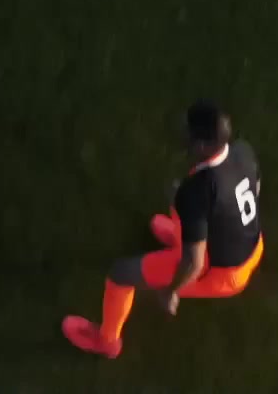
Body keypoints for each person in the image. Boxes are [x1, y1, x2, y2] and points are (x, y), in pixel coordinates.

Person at [62, 101, 265, 360]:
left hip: (222, 273)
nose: (182, 132)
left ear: (202, 146)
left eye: (188, 131)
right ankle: (186, 239)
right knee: (182, 205)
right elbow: (255, 188)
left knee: (121, 274)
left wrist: (171, 291)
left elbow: (194, 263)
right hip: (253, 245)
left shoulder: (197, 192)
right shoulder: (241, 151)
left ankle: (107, 342)